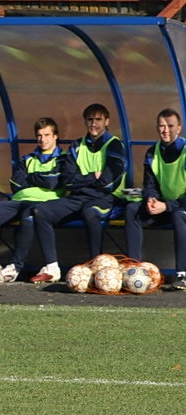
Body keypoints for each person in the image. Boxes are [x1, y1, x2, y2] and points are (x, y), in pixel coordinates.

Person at [30, 103, 127, 282]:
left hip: (104, 198)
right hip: (78, 197)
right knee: (40, 211)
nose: (93, 124)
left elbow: (109, 183)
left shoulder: (114, 145)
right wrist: (92, 177)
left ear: (106, 121)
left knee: (90, 213)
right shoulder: (77, 145)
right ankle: (52, 268)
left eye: (98, 119)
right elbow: (67, 180)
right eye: (90, 119)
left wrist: (81, 180)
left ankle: (96, 269)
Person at [0, 117, 64, 282]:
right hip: (18, 201)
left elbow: (53, 181)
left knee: (30, 215)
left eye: (47, 135)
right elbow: (16, 183)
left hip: (43, 204)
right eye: (39, 135)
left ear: (55, 136)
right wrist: (41, 178)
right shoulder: (28, 159)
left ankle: (15, 267)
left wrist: (31, 177)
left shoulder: (64, 158)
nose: (43, 139)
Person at [125, 108, 186, 289]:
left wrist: (166, 206)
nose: (165, 130)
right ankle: (133, 268)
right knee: (131, 209)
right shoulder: (152, 152)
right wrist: (151, 199)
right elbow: (149, 185)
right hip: (164, 205)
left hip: (179, 206)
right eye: (161, 126)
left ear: (179, 128)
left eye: (170, 126)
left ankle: (182, 274)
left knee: (179, 216)